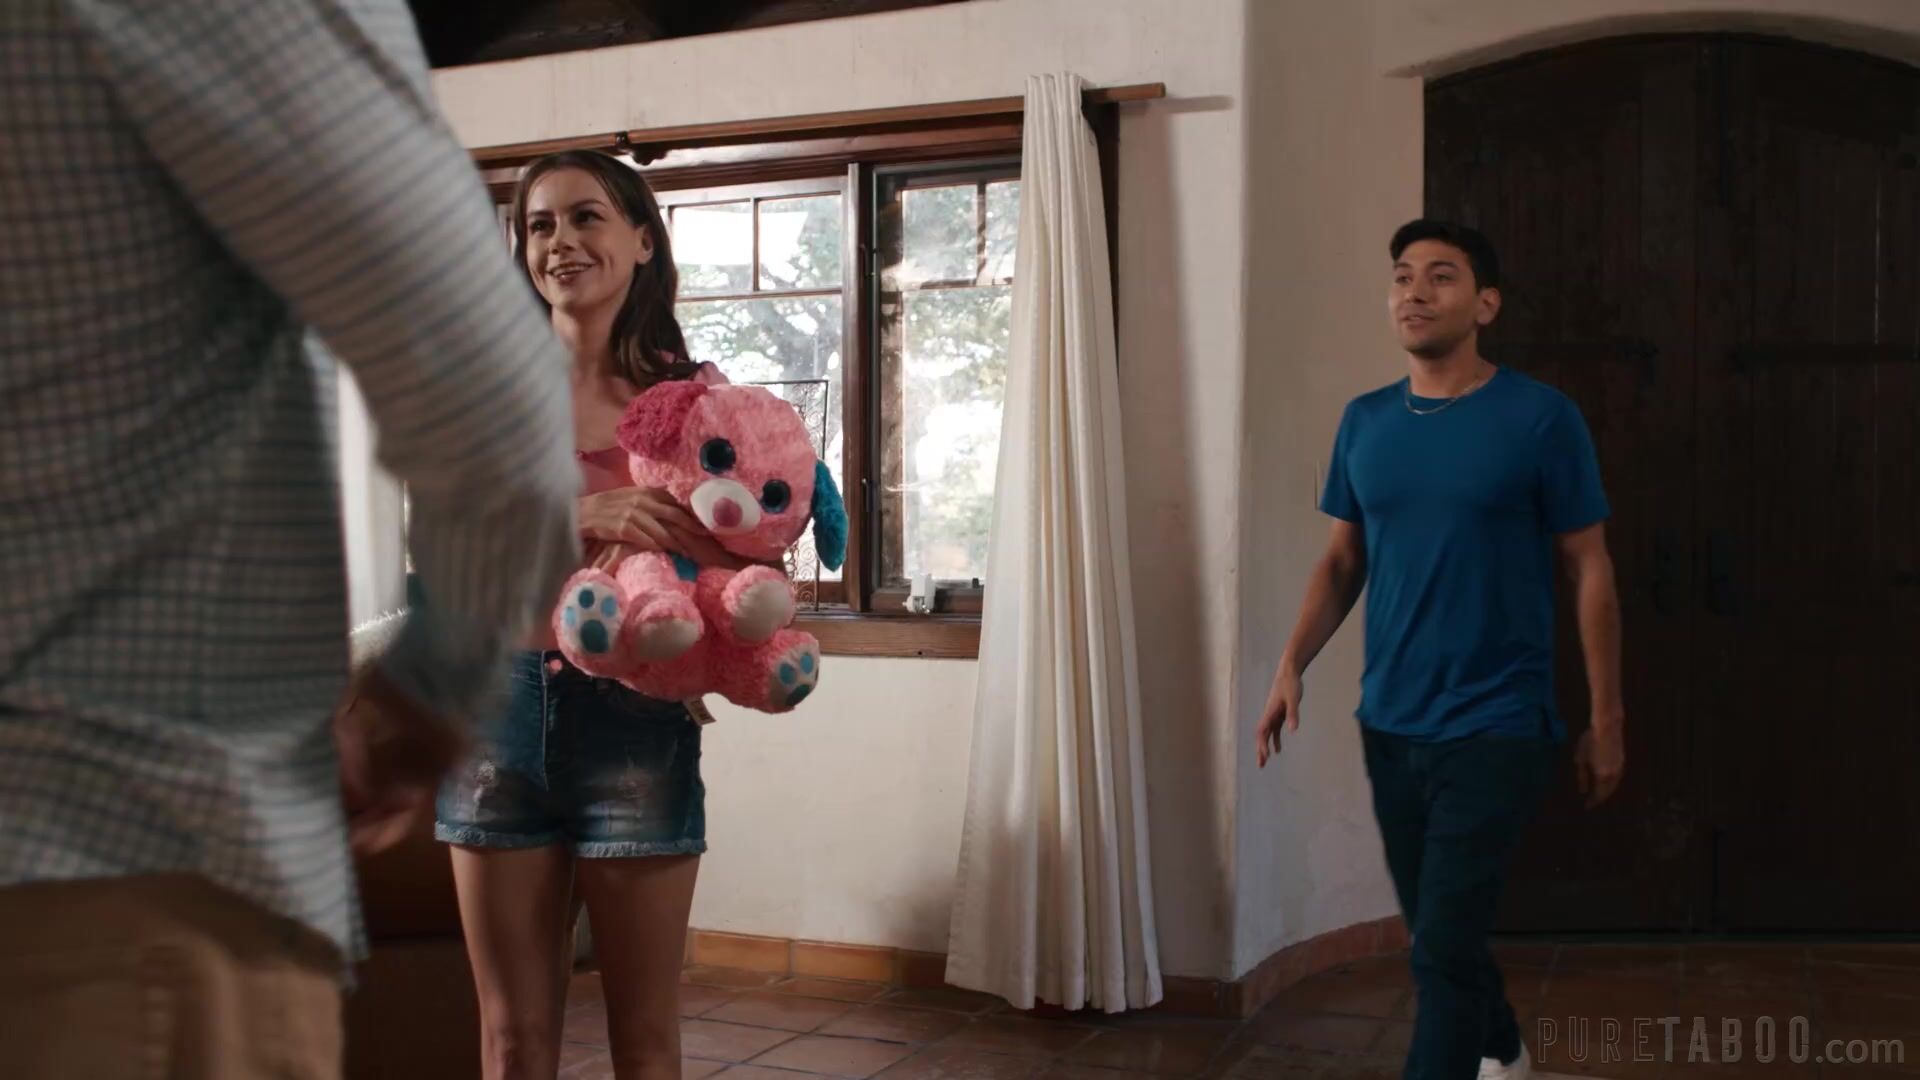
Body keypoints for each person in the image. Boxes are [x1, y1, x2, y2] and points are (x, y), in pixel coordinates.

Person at [0, 1, 584, 1076]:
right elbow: (492, 394)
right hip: (119, 862)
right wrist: (420, 703)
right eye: (544, 223)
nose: (560, 246)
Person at [1255, 220, 1626, 1080]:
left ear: (1485, 304)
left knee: (1440, 948)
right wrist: (1290, 664)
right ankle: (1504, 1048)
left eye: (1441, 276)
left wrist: (1607, 719)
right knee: (1439, 933)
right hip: (1390, 721)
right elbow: (1343, 560)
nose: (1415, 291)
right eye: (1402, 276)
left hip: (1499, 721)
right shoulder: (1366, 421)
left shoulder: (1541, 418)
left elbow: (1590, 567)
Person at [435, 149, 735, 1080]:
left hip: (635, 717)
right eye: (540, 225)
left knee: (643, 1040)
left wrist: (703, 638)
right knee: (511, 1040)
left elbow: (737, 551)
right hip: (493, 713)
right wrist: (582, 513)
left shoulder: (698, 398)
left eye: (585, 216)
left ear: (642, 239)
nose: (560, 241)